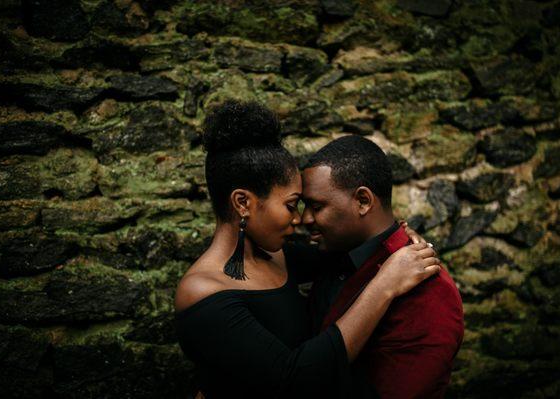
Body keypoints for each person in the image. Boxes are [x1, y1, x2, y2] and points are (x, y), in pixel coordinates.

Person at [174, 100, 441, 398]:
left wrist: (399, 235)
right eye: (291, 205)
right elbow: (296, 381)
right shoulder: (201, 293)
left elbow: (353, 247)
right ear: (242, 203)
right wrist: (385, 286)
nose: (299, 218)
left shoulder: (279, 256)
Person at [284, 135, 464, 398]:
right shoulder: (338, 252)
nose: (304, 219)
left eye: (316, 206)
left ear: (363, 201)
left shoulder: (428, 292)